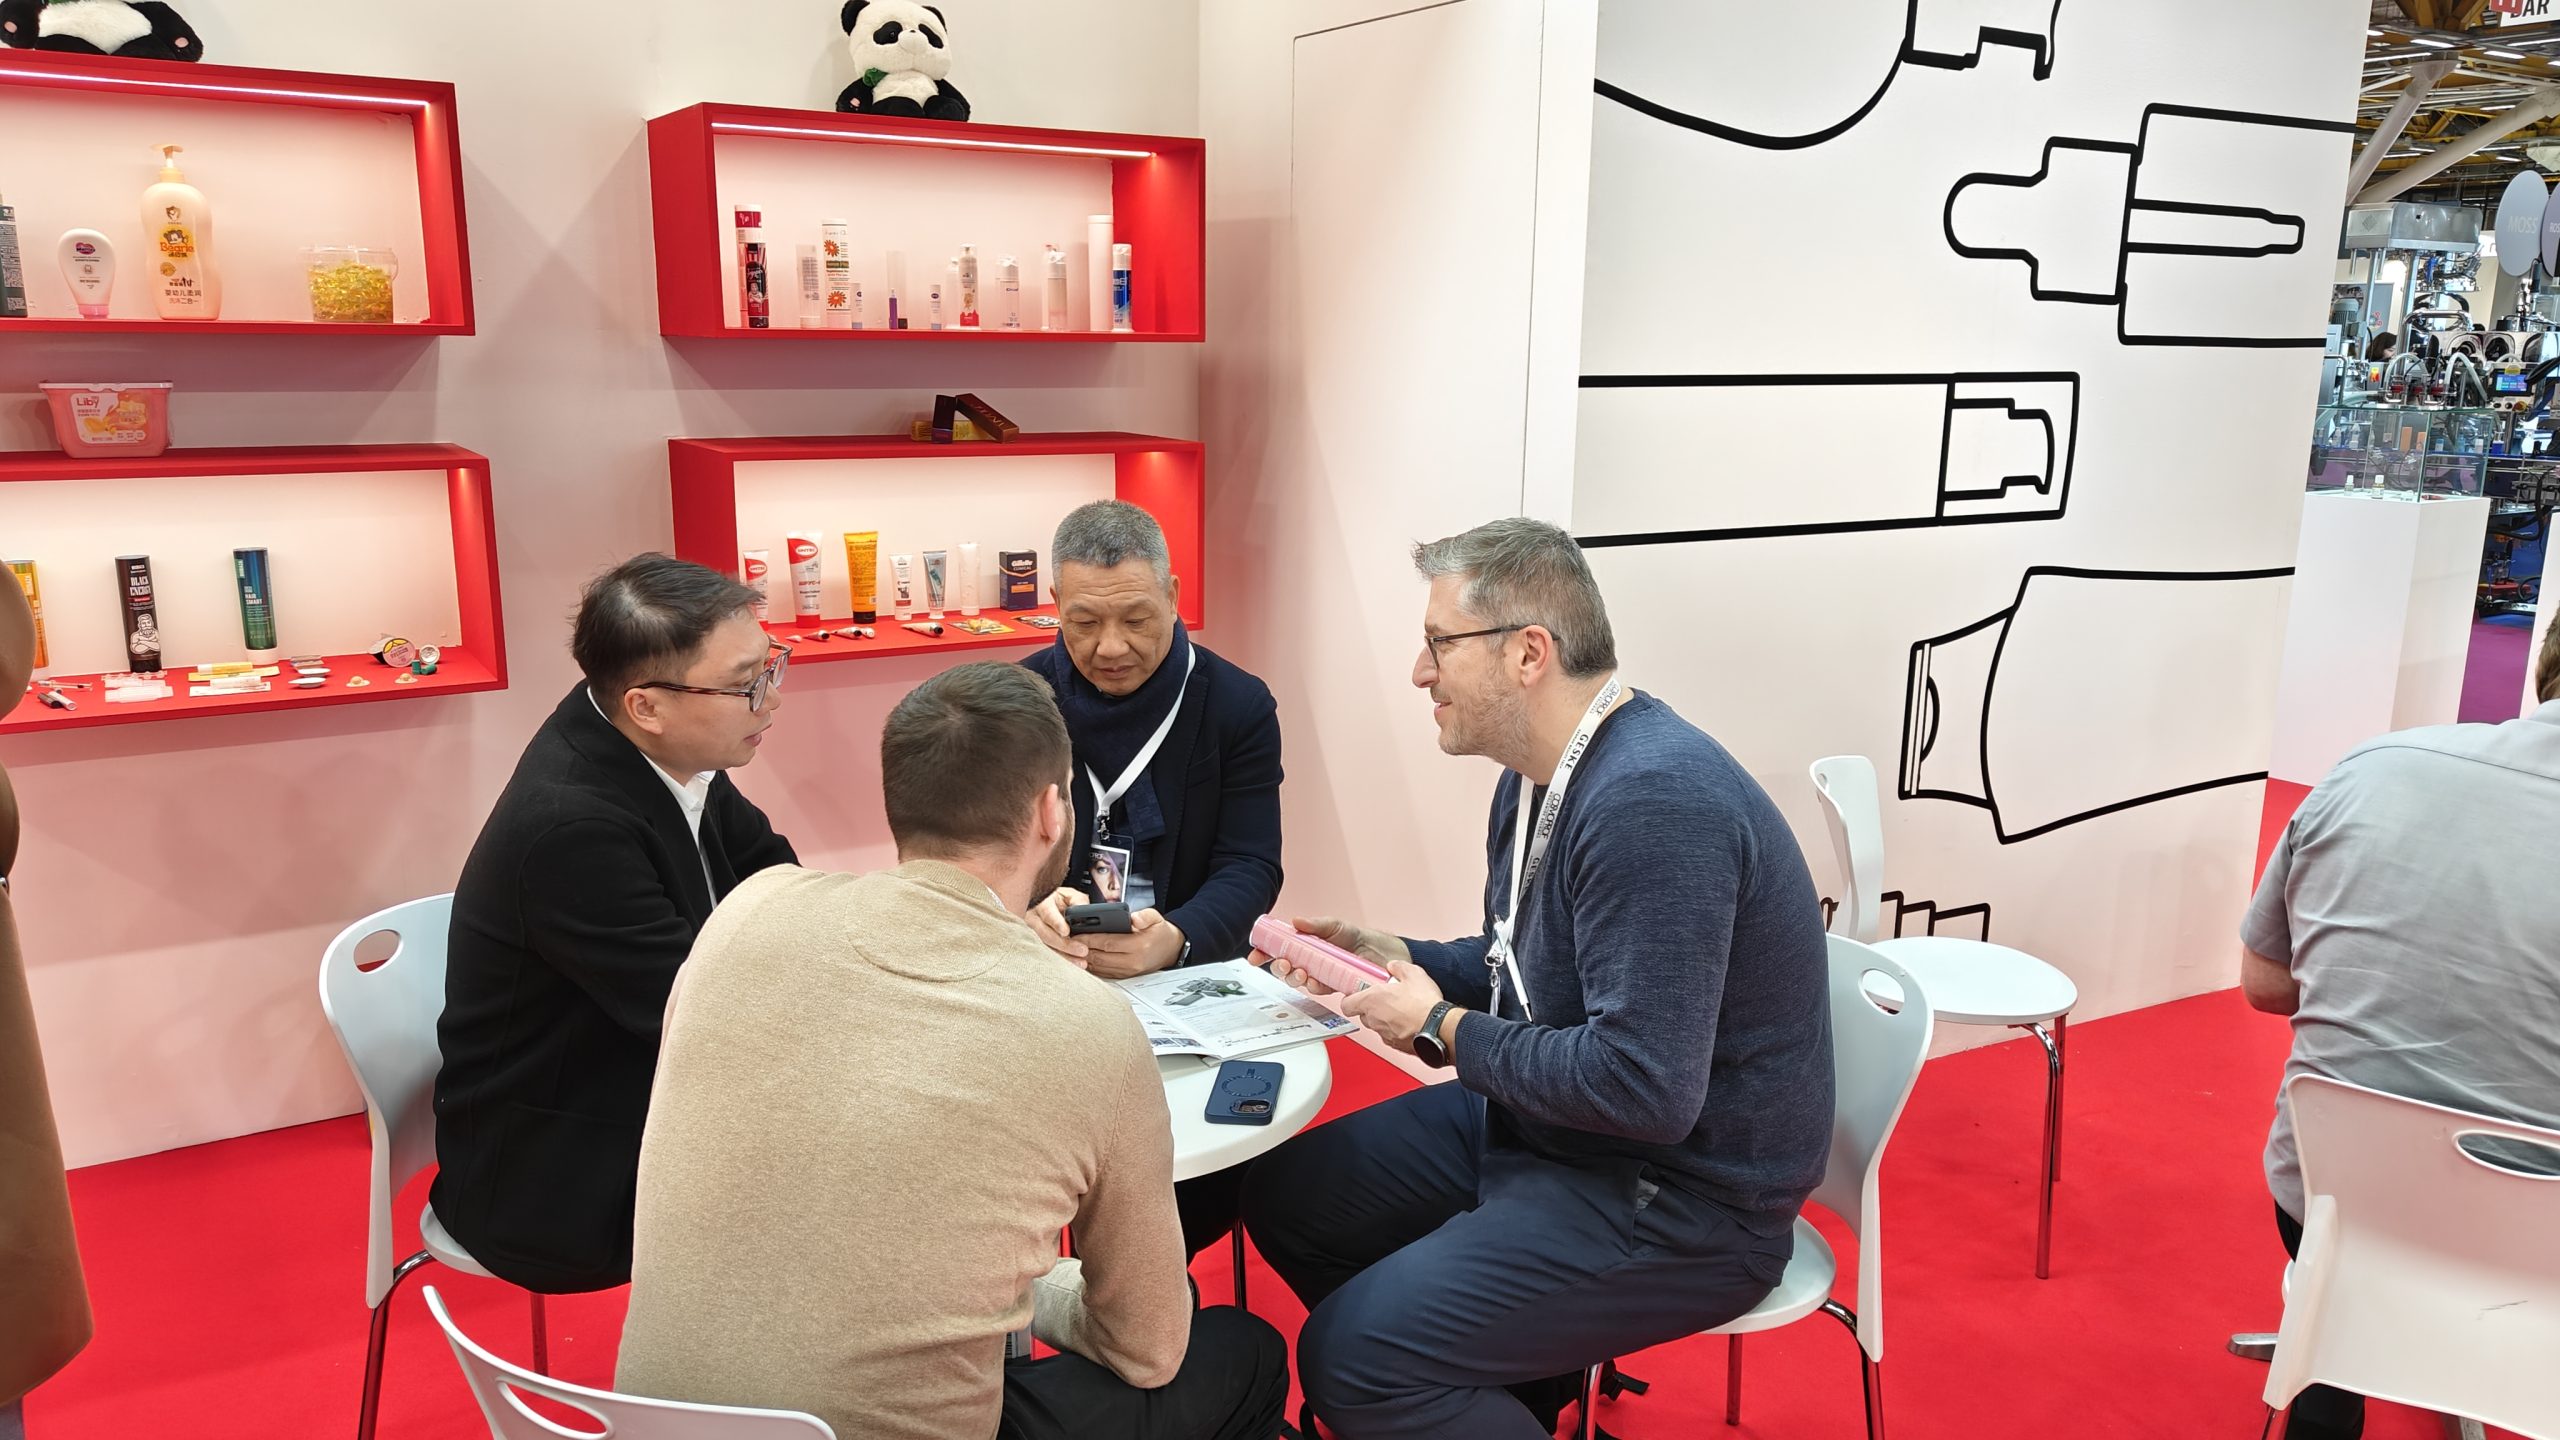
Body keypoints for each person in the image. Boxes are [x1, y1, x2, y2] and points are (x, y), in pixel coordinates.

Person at [1244, 517, 1834, 1438]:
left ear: (1528, 653)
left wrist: (1439, 1027)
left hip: (1685, 1196)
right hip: (1561, 1132)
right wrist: (1391, 956)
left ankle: (1452, 1383)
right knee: (1288, 1196)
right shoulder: (1536, 777)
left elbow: (1644, 1089)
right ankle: (1510, 1389)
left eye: (1440, 643)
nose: (1420, 671)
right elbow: (1520, 972)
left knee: (1352, 1358)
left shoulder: (1653, 801)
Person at [616, 662, 1289, 1440]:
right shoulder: (1089, 1025)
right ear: (1051, 812)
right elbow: (1146, 1349)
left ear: (899, 799)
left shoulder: (745, 911)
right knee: (1243, 1351)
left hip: (646, 1423)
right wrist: (1023, 1289)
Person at [432, 554, 797, 1294]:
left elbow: (779, 885)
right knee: (860, 1183)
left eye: (770, 667)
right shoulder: (572, 827)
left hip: (632, 1082)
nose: (771, 700)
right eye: (745, 684)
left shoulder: (665, 747)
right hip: (555, 1175)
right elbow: (702, 1020)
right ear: (646, 706)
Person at [2239, 618, 2560, 1440]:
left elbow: (2266, 983)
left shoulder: (2373, 768)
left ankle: (2333, 1368)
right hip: (2538, 1249)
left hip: (2330, 1209)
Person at [1020, 500, 1285, 1259]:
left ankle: (1150, 1289)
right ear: (1055, 604)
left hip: (1184, 985)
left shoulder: (1235, 704)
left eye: (1137, 618)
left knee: (1186, 1194)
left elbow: (1251, 864)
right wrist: (1028, 909)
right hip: (1047, 984)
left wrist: (1177, 937)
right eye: (1082, 622)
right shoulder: (1020, 700)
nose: (1111, 647)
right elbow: (981, 855)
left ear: (1172, 595)